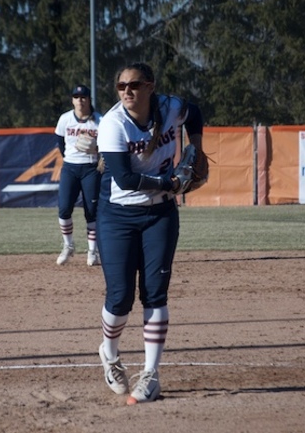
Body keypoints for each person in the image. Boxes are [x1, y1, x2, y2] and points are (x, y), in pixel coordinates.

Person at [95, 62, 204, 405]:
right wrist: (170, 183)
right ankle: (110, 355)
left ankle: (151, 374)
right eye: (121, 86)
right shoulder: (113, 124)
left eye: (135, 85)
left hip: (160, 214)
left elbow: (195, 112)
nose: (127, 91)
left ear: (150, 86)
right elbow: (125, 179)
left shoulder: (171, 107)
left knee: (155, 293)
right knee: (120, 297)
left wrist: (197, 148)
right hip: (118, 215)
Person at [54, 84, 103, 266]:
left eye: (83, 97)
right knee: (64, 208)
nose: (80, 100)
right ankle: (68, 246)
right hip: (70, 167)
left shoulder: (100, 120)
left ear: (89, 99)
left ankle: (92, 252)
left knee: (91, 211)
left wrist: (97, 149)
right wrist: (69, 157)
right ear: (72, 100)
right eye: (76, 97)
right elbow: (60, 142)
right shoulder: (65, 119)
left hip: (91, 168)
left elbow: (107, 145)